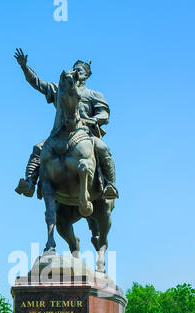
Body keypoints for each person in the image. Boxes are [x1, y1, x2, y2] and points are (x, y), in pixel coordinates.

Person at [12, 49, 118, 200]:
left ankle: (110, 184)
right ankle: (30, 183)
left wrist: (93, 120)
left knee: (103, 148)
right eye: (74, 69)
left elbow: (104, 114)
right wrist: (24, 67)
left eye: (79, 70)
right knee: (38, 149)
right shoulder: (59, 89)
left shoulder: (94, 95)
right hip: (60, 134)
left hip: (84, 133)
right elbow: (37, 83)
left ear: (87, 75)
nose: (76, 71)